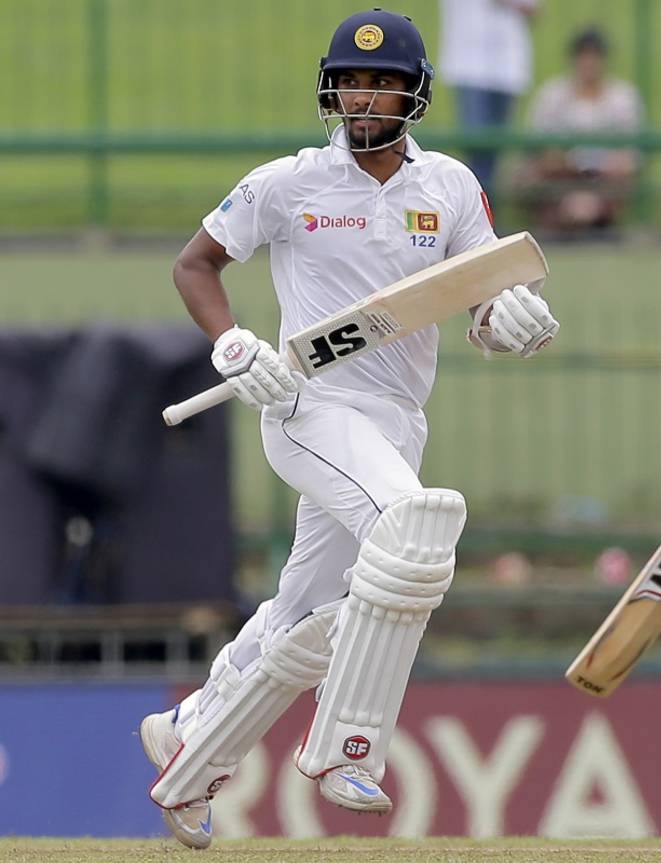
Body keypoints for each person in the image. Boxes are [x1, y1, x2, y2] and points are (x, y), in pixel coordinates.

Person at [137, 9, 559, 849]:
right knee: (415, 529)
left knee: (304, 607)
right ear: (332, 89)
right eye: (353, 81)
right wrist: (231, 342)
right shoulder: (288, 182)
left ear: (416, 94)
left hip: (397, 422)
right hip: (307, 410)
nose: (365, 96)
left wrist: (507, 322)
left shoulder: (448, 187)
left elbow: (479, 295)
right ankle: (346, 745)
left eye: (384, 82)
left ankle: (189, 735)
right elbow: (195, 264)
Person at [515, 26, 644, 234]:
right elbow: (537, 147)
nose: (589, 64)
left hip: (604, 178)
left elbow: (630, 154)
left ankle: (592, 217)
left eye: (594, 57)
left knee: (621, 173)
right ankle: (561, 220)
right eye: (584, 57)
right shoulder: (552, 95)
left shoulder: (622, 98)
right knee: (532, 173)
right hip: (563, 175)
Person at [439, 0, 539, 201]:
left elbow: (532, 9)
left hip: (507, 66)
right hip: (468, 63)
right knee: (475, 142)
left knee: (494, 150)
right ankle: (476, 209)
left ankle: (484, 209)